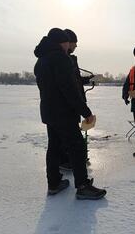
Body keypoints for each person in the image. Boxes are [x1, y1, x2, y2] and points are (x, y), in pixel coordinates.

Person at [34, 28, 106, 199]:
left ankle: (54, 183)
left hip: (49, 112)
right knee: (77, 147)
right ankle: (82, 186)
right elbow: (69, 89)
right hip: (64, 113)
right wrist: (86, 112)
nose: (70, 46)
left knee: (54, 147)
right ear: (62, 42)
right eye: (68, 43)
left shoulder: (41, 60)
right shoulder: (60, 59)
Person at [58, 28, 94, 170]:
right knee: (71, 139)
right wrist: (84, 110)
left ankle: (66, 160)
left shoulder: (70, 59)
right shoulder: (63, 60)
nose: (76, 46)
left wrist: (87, 80)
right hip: (68, 106)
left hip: (72, 105)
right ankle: (68, 162)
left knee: (66, 137)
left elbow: (74, 80)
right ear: (68, 42)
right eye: (75, 42)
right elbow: (68, 86)